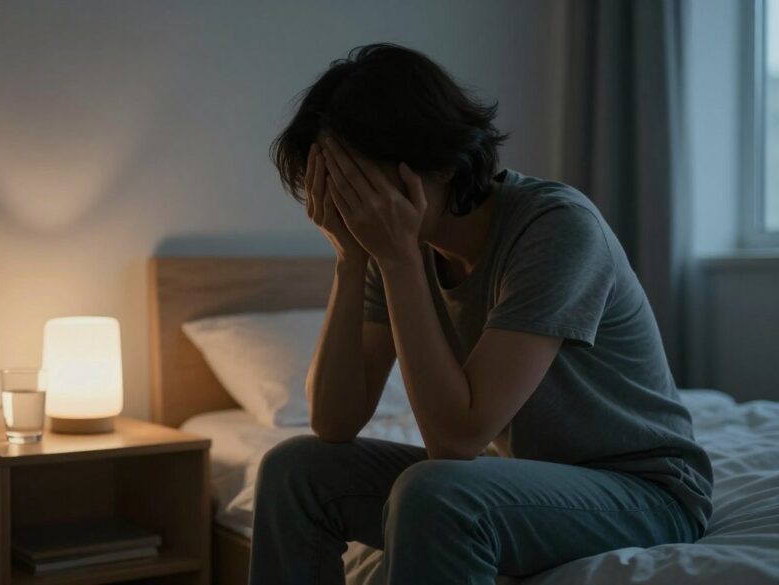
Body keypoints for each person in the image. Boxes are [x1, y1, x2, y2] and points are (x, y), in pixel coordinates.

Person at [248, 43, 713, 585]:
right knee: (293, 470)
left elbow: (456, 440)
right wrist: (350, 259)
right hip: (526, 481)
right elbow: (334, 421)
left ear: (441, 161)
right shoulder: (395, 247)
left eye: (360, 183)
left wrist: (397, 262)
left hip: (647, 492)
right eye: (334, 185)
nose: (354, 205)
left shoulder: (556, 227)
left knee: (435, 491)